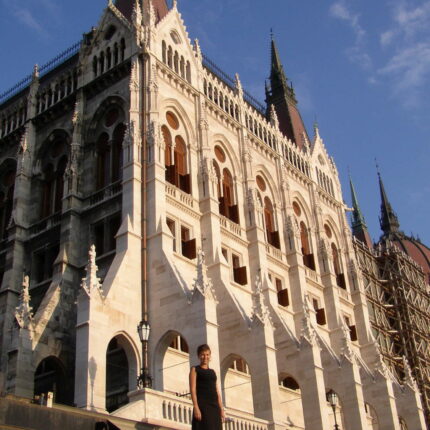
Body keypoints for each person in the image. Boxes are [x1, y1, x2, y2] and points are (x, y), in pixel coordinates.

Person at [189, 344, 225, 430]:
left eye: (207, 354)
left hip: (214, 407)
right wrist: (196, 407)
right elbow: (193, 389)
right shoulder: (195, 370)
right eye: (203, 354)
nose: (205, 357)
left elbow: (217, 391)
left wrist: (221, 409)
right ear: (199, 356)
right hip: (203, 405)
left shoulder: (212, 372)